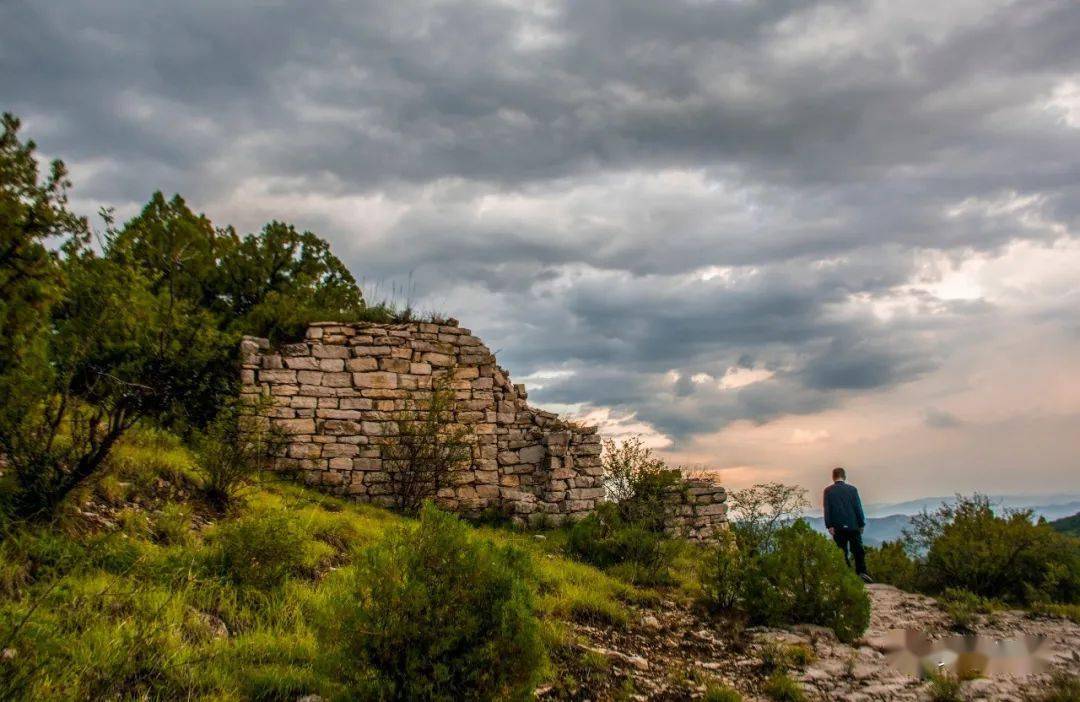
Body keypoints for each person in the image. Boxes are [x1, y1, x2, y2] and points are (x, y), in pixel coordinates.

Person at [823, 467, 872, 583]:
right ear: (844, 476)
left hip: (838, 527)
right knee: (858, 550)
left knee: (841, 552)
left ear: (833, 477)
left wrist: (829, 525)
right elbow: (857, 508)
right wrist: (861, 524)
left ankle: (845, 575)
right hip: (853, 525)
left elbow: (827, 509)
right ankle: (862, 573)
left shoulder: (828, 491)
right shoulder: (852, 490)